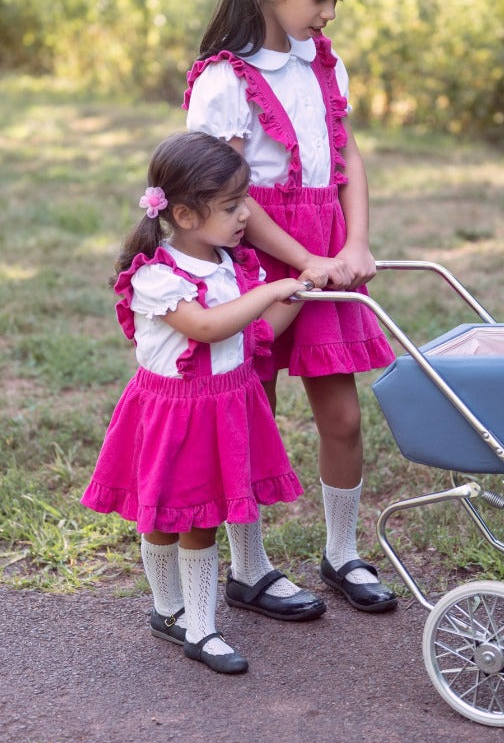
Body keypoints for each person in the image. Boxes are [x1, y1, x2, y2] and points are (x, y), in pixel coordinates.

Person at [184, 0, 397, 620]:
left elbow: (347, 154)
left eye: (337, 0)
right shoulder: (226, 79)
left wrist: (354, 244)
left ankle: (341, 551)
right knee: (249, 415)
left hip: (327, 258)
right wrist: (303, 261)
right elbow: (229, 195)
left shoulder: (318, 62)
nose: (329, 13)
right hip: (257, 259)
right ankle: (249, 567)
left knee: (341, 415)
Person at [81, 130, 327, 675]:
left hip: (225, 406)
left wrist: (297, 292)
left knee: (203, 519)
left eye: (244, 202)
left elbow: (256, 331)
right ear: (186, 215)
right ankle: (172, 612)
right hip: (174, 411)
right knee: (169, 517)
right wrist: (268, 290)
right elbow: (209, 327)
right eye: (233, 206)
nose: (246, 216)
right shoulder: (157, 275)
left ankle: (199, 624)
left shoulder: (231, 264)